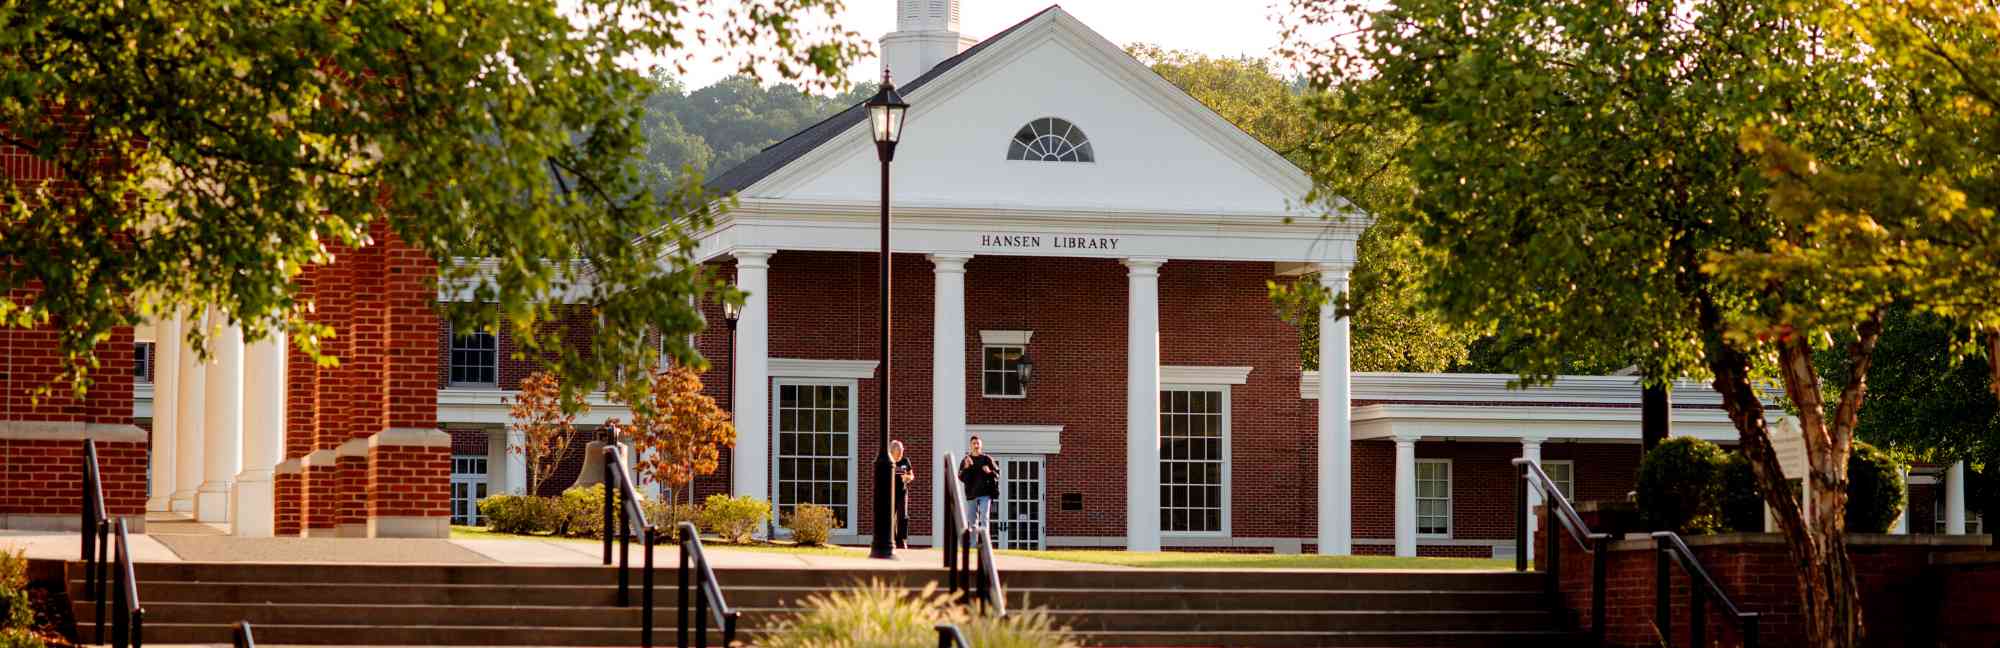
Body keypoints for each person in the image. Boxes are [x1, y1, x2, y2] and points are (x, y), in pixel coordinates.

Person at [959, 435, 1000, 532]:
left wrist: (989, 472)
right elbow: (961, 477)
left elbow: (998, 474)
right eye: (974, 443)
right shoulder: (966, 460)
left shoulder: (987, 459)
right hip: (971, 495)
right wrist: (966, 467)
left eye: (978, 443)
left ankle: (985, 544)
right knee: (972, 522)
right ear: (970, 445)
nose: (976, 445)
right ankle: (973, 546)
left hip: (985, 494)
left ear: (981, 445)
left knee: (984, 520)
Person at [888, 440, 914, 549]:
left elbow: (912, 475)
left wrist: (907, 478)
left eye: (901, 452)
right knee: (890, 517)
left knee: (903, 516)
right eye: (899, 452)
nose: (900, 454)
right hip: (890, 493)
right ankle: (892, 539)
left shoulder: (905, 461)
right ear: (893, 451)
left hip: (902, 492)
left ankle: (901, 540)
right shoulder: (888, 461)